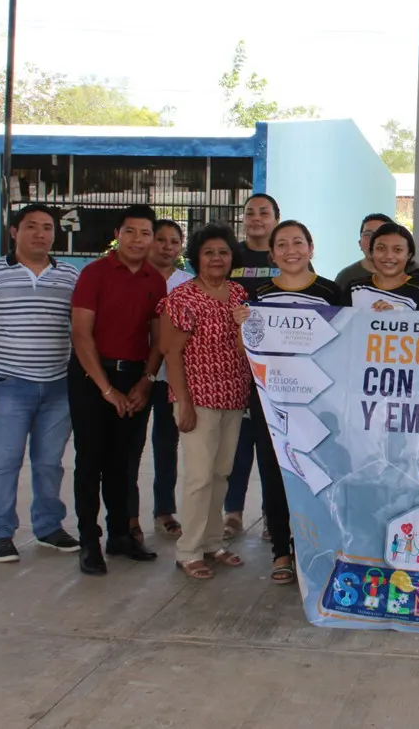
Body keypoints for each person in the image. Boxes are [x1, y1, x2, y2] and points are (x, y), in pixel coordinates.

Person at [0, 203, 81, 562]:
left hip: (58, 385)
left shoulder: (69, 276)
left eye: (47, 227)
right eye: (31, 226)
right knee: (4, 461)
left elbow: (79, 330)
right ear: (15, 232)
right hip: (9, 383)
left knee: (49, 463)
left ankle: (48, 527)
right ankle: (0, 532)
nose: (41, 234)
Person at [69, 204, 166, 575]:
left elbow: (158, 338)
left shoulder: (154, 280)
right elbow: (81, 334)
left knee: (123, 463)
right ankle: (89, 541)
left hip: (134, 379)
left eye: (145, 234)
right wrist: (107, 390)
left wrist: (146, 380)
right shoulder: (94, 274)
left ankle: (121, 536)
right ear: (118, 233)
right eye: (131, 232)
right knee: (90, 461)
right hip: (92, 378)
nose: (138, 239)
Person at [252, 220, 347, 583]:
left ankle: (316, 547)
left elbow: (345, 340)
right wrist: (242, 321)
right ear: (272, 252)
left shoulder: (331, 291)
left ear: (311, 247)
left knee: (318, 474)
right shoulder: (257, 293)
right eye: (282, 244)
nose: (291, 250)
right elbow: (251, 342)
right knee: (276, 474)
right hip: (270, 400)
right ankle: (280, 551)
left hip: (320, 401)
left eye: (298, 242)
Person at [160, 224, 252, 580]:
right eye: (209, 252)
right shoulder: (183, 297)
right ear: (196, 256)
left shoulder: (238, 293)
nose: (217, 258)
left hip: (233, 397)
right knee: (199, 477)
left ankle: (213, 542)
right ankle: (189, 550)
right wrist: (182, 402)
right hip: (197, 399)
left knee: (221, 474)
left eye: (224, 252)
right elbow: (171, 352)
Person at [127, 219, 191, 540]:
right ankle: (129, 514)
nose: (167, 246)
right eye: (161, 239)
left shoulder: (188, 283)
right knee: (131, 446)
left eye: (173, 241)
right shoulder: (133, 278)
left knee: (167, 445)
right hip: (135, 376)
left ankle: (165, 509)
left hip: (172, 378)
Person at [224, 194, 281, 541]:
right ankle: (232, 512)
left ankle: (269, 513)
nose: (257, 218)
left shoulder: (285, 257)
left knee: (270, 444)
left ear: (276, 217)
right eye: (250, 212)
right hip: (232, 361)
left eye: (264, 212)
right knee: (236, 442)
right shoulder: (230, 256)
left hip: (273, 367)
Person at [349, 223, 419, 311]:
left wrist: (394, 318)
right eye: (381, 248)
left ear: (409, 255)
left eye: (397, 250)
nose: (389, 256)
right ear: (372, 253)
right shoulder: (354, 288)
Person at [335, 214, 394, 290]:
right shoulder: (346, 277)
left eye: (381, 234)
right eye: (367, 235)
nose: (373, 240)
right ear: (360, 243)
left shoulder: (409, 274)